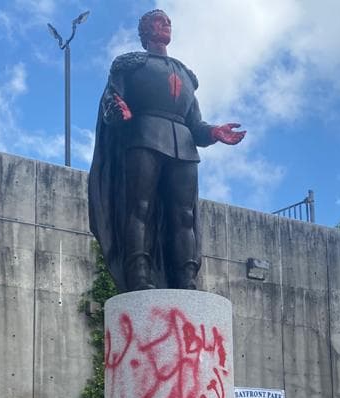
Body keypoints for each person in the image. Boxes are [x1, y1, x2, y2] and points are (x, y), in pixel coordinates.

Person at [88, 9, 245, 292]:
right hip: (144, 138)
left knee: (185, 215)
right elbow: (112, 101)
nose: (167, 24)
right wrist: (118, 110)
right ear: (146, 31)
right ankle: (138, 274)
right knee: (140, 209)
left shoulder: (186, 75)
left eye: (168, 21)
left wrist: (213, 132)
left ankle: (186, 278)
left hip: (183, 146)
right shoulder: (130, 65)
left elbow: (195, 123)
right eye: (159, 22)